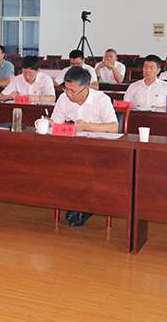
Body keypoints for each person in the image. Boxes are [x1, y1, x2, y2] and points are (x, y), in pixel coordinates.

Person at [51, 66, 118, 227]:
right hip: (72, 147)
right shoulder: (63, 98)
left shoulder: (101, 99)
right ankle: (74, 202)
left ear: (86, 87)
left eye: (73, 91)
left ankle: (85, 205)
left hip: (99, 149)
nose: (68, 94)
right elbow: (54, 124)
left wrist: (86, 126)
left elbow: (113, 127)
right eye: (66, 89)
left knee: (87, 167)